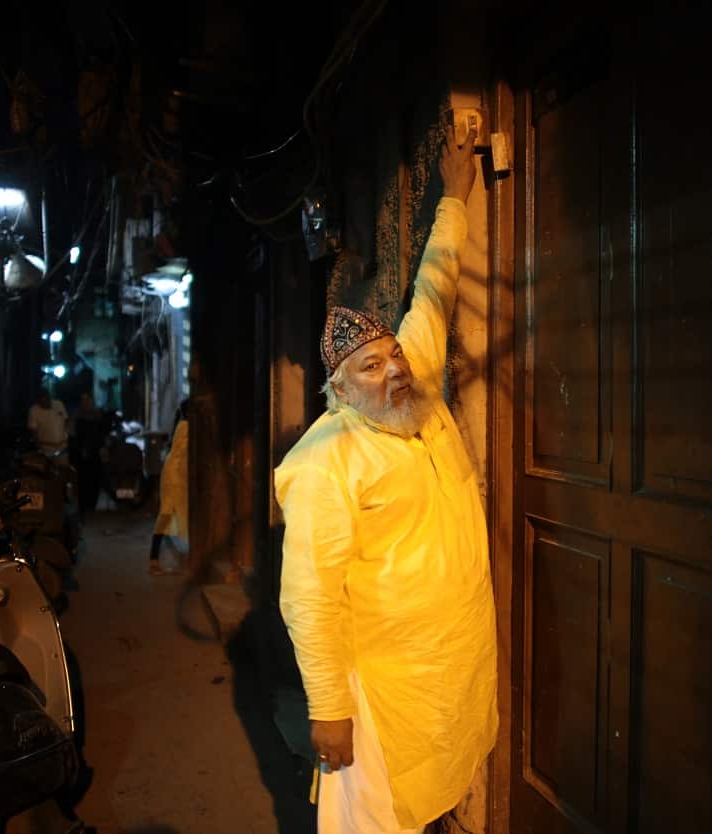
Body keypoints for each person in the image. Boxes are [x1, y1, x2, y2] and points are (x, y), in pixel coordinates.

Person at [275, 126, 495, 834]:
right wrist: (327, 708)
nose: (393, 368)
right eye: (370, 366)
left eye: (392, 355)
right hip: (381, 692)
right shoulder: (324, 458)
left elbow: (431, 292)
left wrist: (454, 197)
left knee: (435, 791)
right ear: (339, 389)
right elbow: (309, 595)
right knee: (374, 818)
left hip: (451, 667)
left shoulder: (415, 387)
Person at [149, 399, 189, 576]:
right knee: (165, 515)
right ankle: (153, 560)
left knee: (169, 514)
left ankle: (154, 559)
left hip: (175, 474)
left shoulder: (182, 425)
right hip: (175, 476)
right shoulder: (186, 427)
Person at [70, 391, 107, 519]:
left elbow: (101, 435)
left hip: (94, 454)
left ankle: (91, 507)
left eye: (88, 400)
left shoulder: (96, 415)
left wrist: (101, 449)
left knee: (94, 481)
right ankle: (83, 508)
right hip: (81, 455)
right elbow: (73, 435)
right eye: (83, 400)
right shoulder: (77, 416)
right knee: (82, 482)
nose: (86, 403)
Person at [27, 388, 69, 460]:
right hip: (46, 449)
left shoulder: (59, 404)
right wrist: (38, 445)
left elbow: (66, 420)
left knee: (63, 469)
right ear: (38, 401)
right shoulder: (34, 410)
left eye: (47, 399)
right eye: (42, 402)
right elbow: (33, 430)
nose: (46, 403)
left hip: (63, 448)